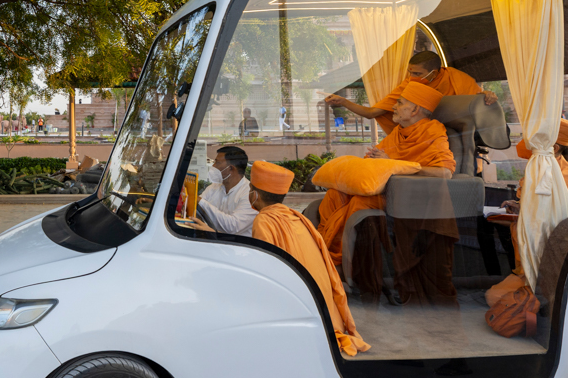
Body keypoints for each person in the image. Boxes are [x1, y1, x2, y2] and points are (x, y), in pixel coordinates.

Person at [317, 81, 457, 306]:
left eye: (399, 103)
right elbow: (383, 161)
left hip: (405, 198)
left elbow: (444, 172)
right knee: (335, 195)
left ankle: (342, 268)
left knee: (359, 203)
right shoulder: (398, 133)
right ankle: (326, 259)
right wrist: (374, 161)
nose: (393, 107)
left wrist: (392, 163)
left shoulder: (433, 131)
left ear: (415, 109)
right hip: (382, 189)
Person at [247, 161, 370, 357]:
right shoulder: (297, 217)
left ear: (255, 194)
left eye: (250, 189)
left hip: (302, 306)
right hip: (324, 308)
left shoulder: (264, 220)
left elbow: (265, 272)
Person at [325, 50, 496, 135]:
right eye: (410, 72)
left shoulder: (456, 78)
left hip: (452, 136)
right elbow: (372, 113)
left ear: (434, 73)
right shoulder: (409, 85)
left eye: (418, 74)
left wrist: (485, 96)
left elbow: (475, 103)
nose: (412, 77)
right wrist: (343, 101)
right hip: (419, 137)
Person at [191, 146, 258, 237]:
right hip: (211, 240)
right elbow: (197, 210)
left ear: (230, 168)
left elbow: (232, 227)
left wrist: (200, 201)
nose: (213, 166)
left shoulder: (249, 194)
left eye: (217, 162)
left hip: (235, 245)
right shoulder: (214, 187)